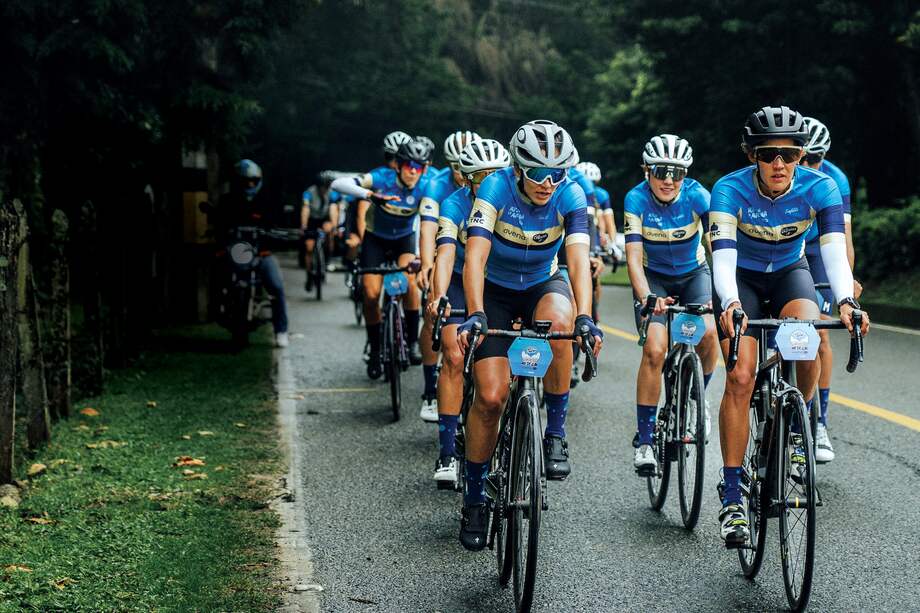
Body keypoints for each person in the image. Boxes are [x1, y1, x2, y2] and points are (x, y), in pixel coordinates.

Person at [709, 106, 869, 547]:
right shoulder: (727, 189)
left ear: (802, 155)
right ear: (752, 155)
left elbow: (834, 252)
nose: (780, 163)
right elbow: (721, 259)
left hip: (788, 273)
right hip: (739, 276)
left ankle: (796, 429)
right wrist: (732, 303)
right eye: (769, 154)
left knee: (810, 337)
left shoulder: (822, 186)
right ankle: (733, 493)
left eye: (790, 154)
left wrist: (846, 300)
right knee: (740, 376)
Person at [455, 120, 604, 550]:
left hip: (543, 283)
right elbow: (476, 258)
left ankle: (554, 431)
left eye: (556, 173)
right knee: (490, 397)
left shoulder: (571, 193)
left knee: (561, 325)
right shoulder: (495, 190)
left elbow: (577, 260)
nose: (548, 182)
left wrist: (586, 318)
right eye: (538, 173)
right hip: (497, 291)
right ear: (518, 169)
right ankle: (474, 497)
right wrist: (477, 313)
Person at [623, 134, 719, 475]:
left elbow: (714, 243)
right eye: (661, 171)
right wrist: (646, 295)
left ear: (685, 174)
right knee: (654, 348)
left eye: (676, 173)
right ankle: (646, 440)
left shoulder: (697, 195)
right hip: (654, 279)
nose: (668, 179)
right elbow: (633, 257)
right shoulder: (635, 199)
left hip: (694, 274)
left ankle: (697, 398)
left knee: (708, 332)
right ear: (647, 170)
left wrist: (725, 288)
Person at [427, 138, 509, 488]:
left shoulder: (512, 202)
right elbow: (444, 254)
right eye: (481, 176)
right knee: (453, 352)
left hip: (501, 285)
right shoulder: (453, 204)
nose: (489, 181)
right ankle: (447, 452)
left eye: (496, 174)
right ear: (465, 179)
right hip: (462, 281)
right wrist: (439, 295)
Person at [331, 139, 432, 377]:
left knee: (409, 284)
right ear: (397, 165)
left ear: (425, 169)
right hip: (375, 240)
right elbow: (338, 183)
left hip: (404, 240)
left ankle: (412, 341)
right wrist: (369, 195)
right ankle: (375, 350)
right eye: (408, 165)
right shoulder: (381, 178)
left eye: (418, 167)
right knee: (371, 295)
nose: (412, 172)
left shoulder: (427, 185)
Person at [799, 116, 859, 464]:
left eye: (816, 159)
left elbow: (843, 240)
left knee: (820, 332)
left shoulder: (835, 180)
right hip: (785, 249)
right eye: (803, 157)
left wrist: (845, 285)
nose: (808, 166)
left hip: (820, 249)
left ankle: (819, 421)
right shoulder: (783, 172)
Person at [417, 131, 481, 422]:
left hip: (481, 268)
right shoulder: (436, 185)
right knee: (434, 315)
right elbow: (428, 228)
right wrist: (425, 266)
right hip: (449, 257)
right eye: (456, 167)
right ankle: (431, 389)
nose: (462, 173)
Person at [216, 159, 290, 348]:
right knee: (220, 276)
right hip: (238, 252)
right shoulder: (227, 201)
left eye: (253, 181)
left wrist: (274, 233)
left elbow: (275, 225)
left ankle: (281, 330)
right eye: (245, 181)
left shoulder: (267, 201)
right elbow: (219, 224)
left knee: (277, 287)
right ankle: (221, 309)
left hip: (262, 253)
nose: (249, 184)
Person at [301, 171, 341, 292]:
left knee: (330, 231)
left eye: (328, 185)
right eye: (324, 186)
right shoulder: (309, 193)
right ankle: (309, 274)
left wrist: (334, 226)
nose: (326, 188)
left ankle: (327, 256)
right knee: (309, 247)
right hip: (312, 219)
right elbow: (305, 209)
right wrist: (303, 226)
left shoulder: (332, 193)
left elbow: (334, 209)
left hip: (325, 218)